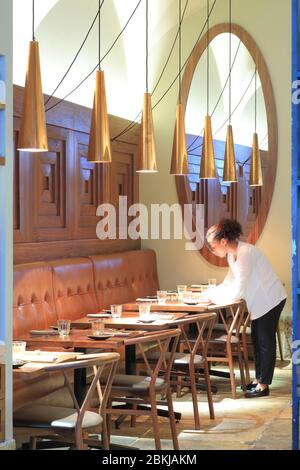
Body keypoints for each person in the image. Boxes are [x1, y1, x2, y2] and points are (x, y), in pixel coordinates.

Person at [204, 218, 287, 398]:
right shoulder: (232, 254)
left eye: (213, 246)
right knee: (257, 341)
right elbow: (230, 282)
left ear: (223, 241)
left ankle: (263, 385)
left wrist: (214, 298)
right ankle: (259, 379)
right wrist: (210, 294)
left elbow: (239, 287)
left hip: (270, 300)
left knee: (265, 342)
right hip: (259, 302)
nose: (212, 250)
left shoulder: (245, 253)